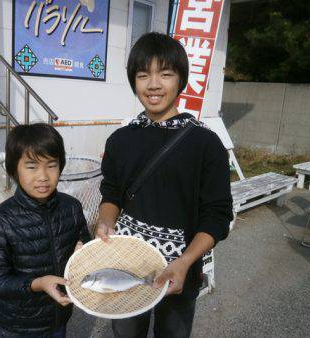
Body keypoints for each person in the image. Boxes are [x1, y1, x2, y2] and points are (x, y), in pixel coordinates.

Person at [95, 32, 233, 337]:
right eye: (143, 75)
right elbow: (112, 193)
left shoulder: (205, 144)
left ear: (180, 80)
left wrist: (185, 262)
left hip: (179, 272)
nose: (153, 85)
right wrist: (105, 221)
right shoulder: (121, 139)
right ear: (134, 81)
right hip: (126, 264)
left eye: (165, 74)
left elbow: (218, 214)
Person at [0, 123, 91, 337]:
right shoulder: (1, 219)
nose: (43, 176)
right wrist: (37, 284)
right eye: (31, 167)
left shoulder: (71, 207)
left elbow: (84, 245)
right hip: (20, 326)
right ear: (14, 169)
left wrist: (84, 252)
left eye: (51, 165)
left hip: (59, 316)